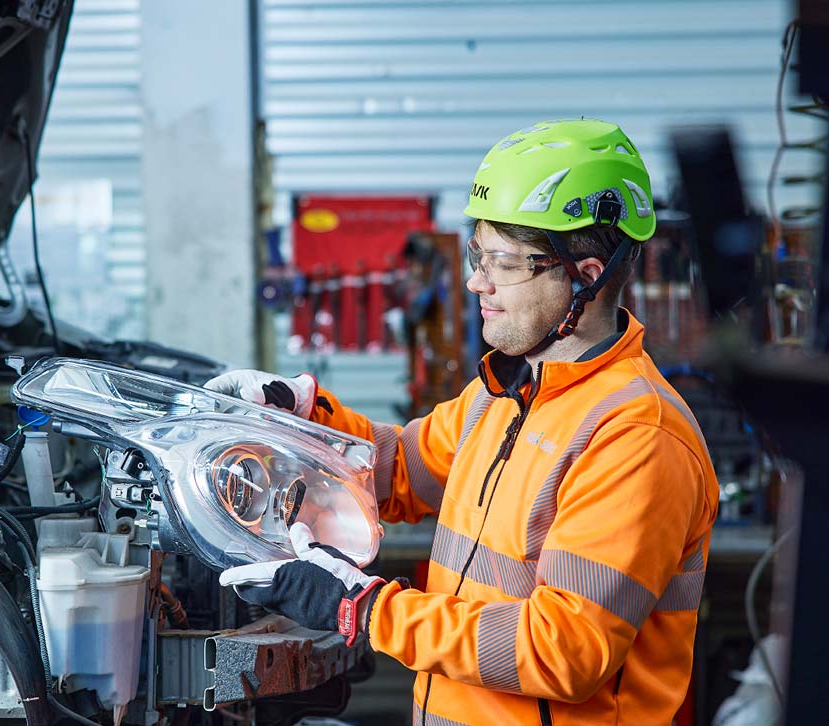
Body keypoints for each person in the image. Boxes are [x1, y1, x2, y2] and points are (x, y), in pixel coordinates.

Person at [208, 119, 719, 725]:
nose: (477, 281)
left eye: (503, 263)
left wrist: (366, 610)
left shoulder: (635, 436)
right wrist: (299, 416)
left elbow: (563, 651)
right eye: (479, 253)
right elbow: (398, 467)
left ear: (585, 275)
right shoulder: (508, 392)